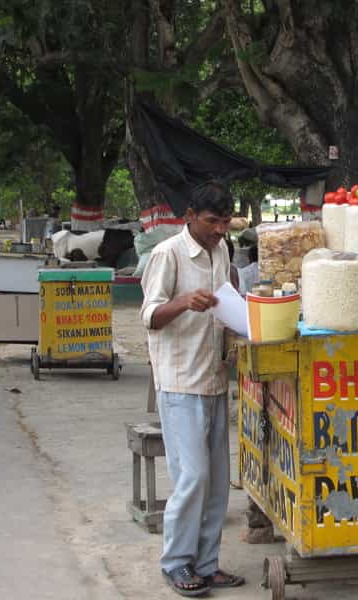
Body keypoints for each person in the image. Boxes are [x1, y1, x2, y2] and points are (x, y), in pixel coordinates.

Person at [140, 181, 244, 597]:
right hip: (181, 381)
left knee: (218, 482)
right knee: (193, 478)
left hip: (214, 377)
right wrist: (184, 301)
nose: (220, 229)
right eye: (212, 221)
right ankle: (176, 563)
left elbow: (228, 298)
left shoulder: (222, 251)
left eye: (225, 222)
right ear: (189, 216)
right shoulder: (168, 254)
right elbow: (149, 315)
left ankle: (206, 564)